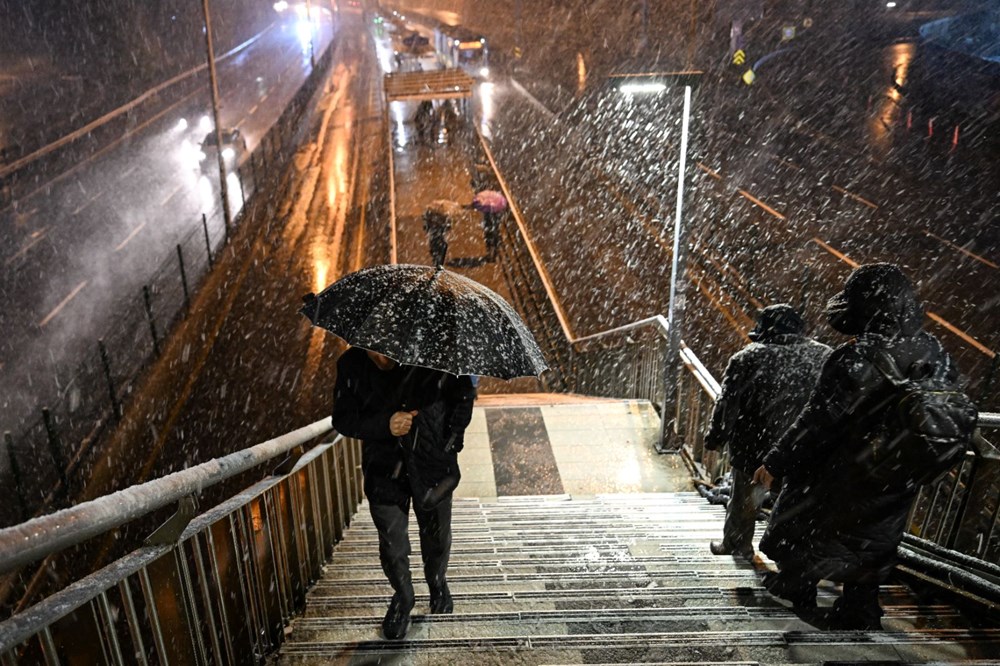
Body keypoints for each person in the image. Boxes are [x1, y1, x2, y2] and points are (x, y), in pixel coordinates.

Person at [753, 264, 961, 630]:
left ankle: (798, 588)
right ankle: (860, 608)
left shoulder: (855, 358)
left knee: (806, 523)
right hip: (896, 471)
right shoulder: (933, 350)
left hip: (844, 469)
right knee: (872, 538)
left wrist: (777, 460)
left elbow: (817, 421)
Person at [331, 347, 476, 639]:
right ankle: (403, 597)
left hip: (432, 464)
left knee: (436, 537)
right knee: (392, 546)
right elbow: (343, 419)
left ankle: (437, 583)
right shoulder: (351, 364)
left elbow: (463, 396)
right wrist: (385, 424)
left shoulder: (435, 354)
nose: (379, 355)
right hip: (384, 470)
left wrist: (451, 440)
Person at [704, 304, 830, 561]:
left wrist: (716, 437)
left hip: (755, 447)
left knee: (746, 501)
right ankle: (793, 555)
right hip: (804, 447)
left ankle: (738, 545)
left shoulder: (747, 358)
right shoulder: (824, 356)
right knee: (796, 504)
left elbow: (728, 405)